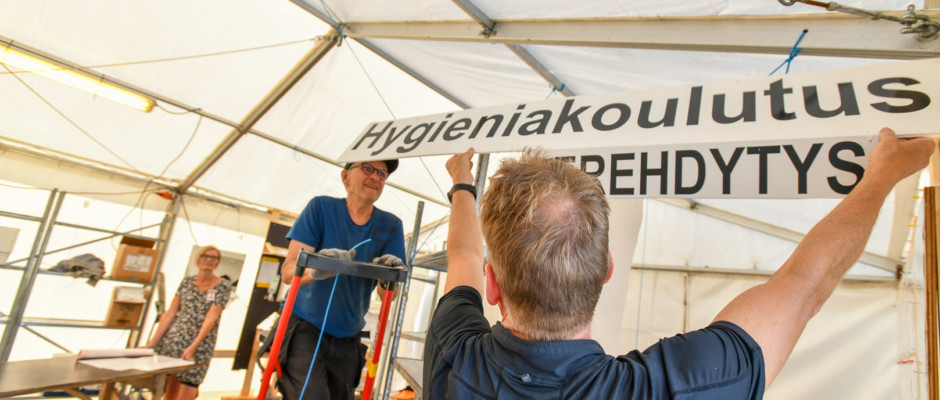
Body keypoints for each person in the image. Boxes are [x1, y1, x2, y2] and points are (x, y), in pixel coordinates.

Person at [424, 128, 935, 399]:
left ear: (493, 285)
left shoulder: (453, 351)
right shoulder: (676, 385)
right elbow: (806, 284)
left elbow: (464, 254)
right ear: (606, 270)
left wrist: (462, 180)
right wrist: (882, 175)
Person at [277, 159, 407, 400]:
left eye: (382, 173)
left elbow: (389, 295)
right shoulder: (320, 208)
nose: (376, 177)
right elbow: (288, 272)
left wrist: (388, 277)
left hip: (349, 335)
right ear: (345, 177)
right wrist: (316, 270)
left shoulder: (390, 226)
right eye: (367, 169)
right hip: (306, 327)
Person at [145, 245, 232, 400]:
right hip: (176, 339)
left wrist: (193, 346)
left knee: (189, 387)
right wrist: (151, 344)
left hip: (200, 344)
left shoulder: (223, 285)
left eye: (213, 257)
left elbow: (211, 317)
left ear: (217, 262)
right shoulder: (187, 282)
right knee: (169, 388)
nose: (208, 260)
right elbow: (170, 313)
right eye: (205, 256)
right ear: (198, 259)